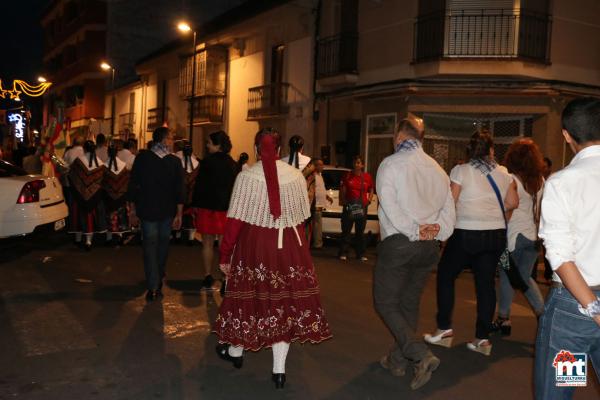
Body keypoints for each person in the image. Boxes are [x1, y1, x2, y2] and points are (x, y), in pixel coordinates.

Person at [214, 128, 332, 389]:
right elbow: (302, 219)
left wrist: (225, 254)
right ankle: (279, 370)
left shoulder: (247, 177)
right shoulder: (296, 177)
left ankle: (235, 351)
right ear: (279, 150)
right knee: (284, 301)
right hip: (290, 243)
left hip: (254, 243)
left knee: (248, 294)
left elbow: (234, 222)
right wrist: (302, 254)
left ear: (257, 149)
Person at [375, 116, 455, 390]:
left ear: (399, 137)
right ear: (420, 139)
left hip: (400, 243)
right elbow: (449, 214)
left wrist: (414, 230)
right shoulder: (438, 169)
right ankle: (397, 360)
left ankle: (420, 355)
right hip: (429, 249)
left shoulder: (390, 164)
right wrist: (435, 233)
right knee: (408, 303)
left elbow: (390, 205)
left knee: (385, 302)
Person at [424, 130, 518, 356]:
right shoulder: (504, 173)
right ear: (491, 150)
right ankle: (482, 339)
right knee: (485, 285)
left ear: (470, 150)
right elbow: (513, 202)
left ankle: (444, 329)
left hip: (466, 233)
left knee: (446, 275)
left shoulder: (461, 170)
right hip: (494, 235)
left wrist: (442, 231)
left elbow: (451, 202)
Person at [535, 97, 600, 400]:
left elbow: (560, 256)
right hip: (583, 308)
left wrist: (594, 309)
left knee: (561, 390)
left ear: (566, 135)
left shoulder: (563, 182)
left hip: (575, 312)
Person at [492, 139, 546, 335]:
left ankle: (541, 315)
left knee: (513, 278)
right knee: (519, 277)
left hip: (512, 239)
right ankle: (504, 319)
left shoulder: (512, 179)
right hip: (533, 238)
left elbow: (508, 207)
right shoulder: (540, 181)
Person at [127, 127, 184, 301]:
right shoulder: (174, 162)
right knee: (162, 246)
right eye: (171, 139)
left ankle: (153, 285)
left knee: (150, 247)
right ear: (164, 140)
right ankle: (156, 280)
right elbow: (180, 190)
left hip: (147, 210)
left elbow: (133, 185)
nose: (173, 142)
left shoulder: (142, 158)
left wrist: (133, 210)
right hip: (167, 212)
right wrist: (179, 214)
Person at [191, 131, 238, 289]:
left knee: (207, 244)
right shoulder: (232, 163)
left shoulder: (206, 162)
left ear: (218, 145)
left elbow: (199, 186)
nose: (207, 145)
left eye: (209, 142)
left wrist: (195, 205)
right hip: (226, 209)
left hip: (207, 208)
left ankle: (207, 275)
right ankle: (225, 278)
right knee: (225, 245)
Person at [68, 140, 107, 250]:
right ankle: (89, 241)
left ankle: (78, 239)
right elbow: (102, 182)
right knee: (92, 219)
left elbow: (71, 176)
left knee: (78, 218)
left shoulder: (78, 161)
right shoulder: (100, 162)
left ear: (84, 149)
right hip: (95, 198)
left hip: (79, 196)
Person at [338, 155, 374, 262]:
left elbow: (371, 189)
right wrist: (343, 201)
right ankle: (343, 252)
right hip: (349, 205)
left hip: (362, 206)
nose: (356, 164)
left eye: (358, 162)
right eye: (355, 162)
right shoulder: (347, 176)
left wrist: (369, 200)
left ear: (362, 165)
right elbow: (343, 189)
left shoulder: (367, 177)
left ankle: (360, 254)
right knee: (346, 230)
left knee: (360, 231)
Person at [103, 144, 131, 244]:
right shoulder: (123, 165)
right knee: (120, 215)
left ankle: (109, 237)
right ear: (117, 153)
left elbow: (102, 183)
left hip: (108, 196)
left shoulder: (103, 166)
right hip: (122, 196)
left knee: (109, 215)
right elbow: (127, 181)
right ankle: (120, 234)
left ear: (108, 153)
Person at [174, 140, 200, 244]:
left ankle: (178, 233)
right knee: (191, 215)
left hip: (180, 193)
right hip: (193, 194)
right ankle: (191, 236)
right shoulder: (198, 163)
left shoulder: (178, 162)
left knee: (180, 212)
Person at [311, 157, 332, 249]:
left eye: (322, 164)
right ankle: (317, 244)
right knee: (316, 225)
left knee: (317, 225)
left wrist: (327, 196)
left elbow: (321, 190)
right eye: (320, 164)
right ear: (315, 166)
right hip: (315, 205)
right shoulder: (313, 176)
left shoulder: (320, 176)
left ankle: (317, 242)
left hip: (319, 205)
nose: (322, 166)